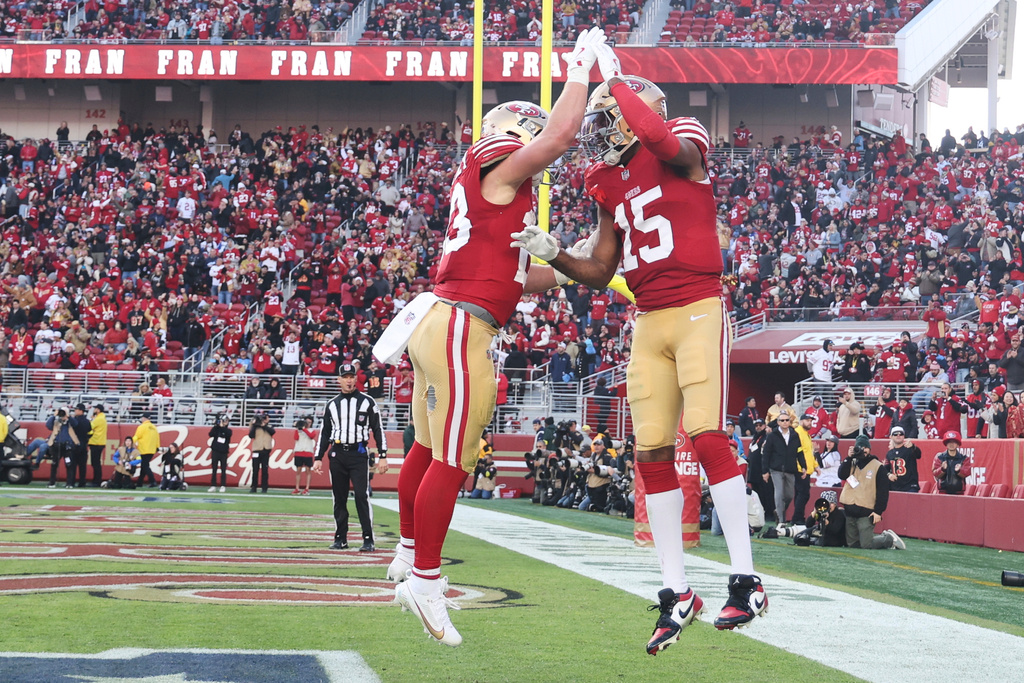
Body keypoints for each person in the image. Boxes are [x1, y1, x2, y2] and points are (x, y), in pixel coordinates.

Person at [514, 45, 767, 645]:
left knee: (707, 437)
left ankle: (747, 581)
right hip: (649, 320)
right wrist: (557, 256)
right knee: (650, 454)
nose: (603, 133)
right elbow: (603, 269)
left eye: (609, 117)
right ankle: (676, 594)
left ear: (636, 109)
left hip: (700, 305)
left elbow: (661, 140)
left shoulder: (680, 137)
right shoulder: (603, 178)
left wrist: (613, 77)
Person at [390, 28, 610, 649]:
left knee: (430, 451)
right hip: (461, 326)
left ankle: (409, 554)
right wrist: (578, 69)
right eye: (528, 136)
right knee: (455, 461)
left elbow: (520, 276)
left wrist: (564, 258)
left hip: (441, 319)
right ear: (512, 134)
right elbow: (562, 135)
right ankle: (427, 585)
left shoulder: (490, 197)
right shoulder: (496, 168)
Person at [314, 364, 388, 551]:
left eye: (351, 376)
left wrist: (383, 455)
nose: (348, 380)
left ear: (356, 379)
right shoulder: (332, 404)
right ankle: (340, 538)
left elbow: (378, 429)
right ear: (338, 380)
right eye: (345, 377)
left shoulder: (368, 401)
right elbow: (325, 433)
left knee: (362, 496)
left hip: (359, 454)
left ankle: (368, 539)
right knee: (339, 498)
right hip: (338, 453)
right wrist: (317, 457)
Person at [838, 435, 905, 550]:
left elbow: (883, 492)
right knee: (852, 544)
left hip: (866, 512)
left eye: (865, 447)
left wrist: (878, 512)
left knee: (866, 545)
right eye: (859, 447)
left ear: (869, 449)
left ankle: (888, 538)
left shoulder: (878, 466)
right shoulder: (851, 462)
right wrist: (848, 458)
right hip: (850, 510)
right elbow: (842, 475)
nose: (863, 450)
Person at [761, 413, 802, 525]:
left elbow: (799, 452)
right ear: (778, 422)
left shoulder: (795, 435)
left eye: (786, 420)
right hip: (776, 469)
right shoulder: (772, 436)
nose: (784, 422)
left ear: (790, 421)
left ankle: (779, 511)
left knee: (789, 495)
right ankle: (781, 520)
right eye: (782, 420)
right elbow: (766, 454)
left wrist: (803, 466)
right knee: (779, 493)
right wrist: (765, 471)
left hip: (790, 469)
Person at [792, 413, 819, 523]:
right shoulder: (798, 432)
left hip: (806, 469)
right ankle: (797, 518)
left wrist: (816, 466)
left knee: (800, 494)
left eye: (811, 421)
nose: (810, 423)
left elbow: (809, 453)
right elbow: (798, 452)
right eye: (807, 420)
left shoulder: (806, 434)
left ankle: (798, 517)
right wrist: (801, 467)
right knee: (803, 494)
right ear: (801, 421)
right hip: (801, 469)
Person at [44, 408, 78, 488]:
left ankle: (69, 483)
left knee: (69, 464)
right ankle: (52, 482)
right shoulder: (56, 422)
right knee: (54, 464)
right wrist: (54, 416)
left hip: (67, 447)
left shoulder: (70, 422)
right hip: (57, 446)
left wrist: (68, 417)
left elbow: (76, 424)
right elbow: (48, 425)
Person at [883, 426, 922, 492]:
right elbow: (885, 469)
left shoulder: (910, 449)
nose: (898, 436)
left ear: (904, 436)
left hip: (910, 487)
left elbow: (918, 455)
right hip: (895, 487)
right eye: (895, 434)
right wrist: (889, 475)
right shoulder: (889, 453)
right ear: (891, 437)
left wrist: (913, 446)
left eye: (901, 434)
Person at [248, 413, 275, 493]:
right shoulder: (255, 427)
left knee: (265, 470)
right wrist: (255, 425)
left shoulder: (269, 426)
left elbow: (272, 432)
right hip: (257, 449)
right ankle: (254, 487)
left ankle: (264, 487)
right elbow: (251, 435)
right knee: (255, 470)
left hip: (266, 450)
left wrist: (264, 425)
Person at [68, 403, 92, 488]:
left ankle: (71, 482)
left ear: (81, 411)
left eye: (76, 409)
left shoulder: (75, 420)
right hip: (83, 445)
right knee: (82, 466)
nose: (75, 411)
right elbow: (90, 432)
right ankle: (82, 482)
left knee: (72, 465)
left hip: (75, 445)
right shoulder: (87, 421)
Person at [133, 412, 160, 488]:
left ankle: (153, 481)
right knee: (144, 465)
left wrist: (132, 442)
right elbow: (157, 438)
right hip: (152, 450)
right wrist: (157, 447)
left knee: (145, 466)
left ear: (144, 418)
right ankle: (139, 482)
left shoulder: (142, 427)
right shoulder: (154, 427)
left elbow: (136, 436)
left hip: (144, 449)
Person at [293, 416, 317, 495]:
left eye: (309, 422)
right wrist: (298, 428)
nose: (308, 424)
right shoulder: (298, 430)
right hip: (299, 451)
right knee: (298, 471)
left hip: (308, 452)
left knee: (308, 471)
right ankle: (297, 488)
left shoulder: (312, 430)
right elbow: (295, 438)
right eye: (306, 422)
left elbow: (311, 436)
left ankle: (307, 488)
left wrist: (304, 429)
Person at [207, 415, 232, 492]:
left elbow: (228, 434)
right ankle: (213, 485)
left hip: (223, 452)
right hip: (215, 451)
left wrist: (222, 427)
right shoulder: (216, 429)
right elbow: (210, 434)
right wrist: (216, 425)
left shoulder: (229, 430)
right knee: (214, 469)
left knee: (223, 469)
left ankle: (223, 485)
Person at [88, 404, 107, 487]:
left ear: (98, 410)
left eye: (95, 409)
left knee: (95, 463)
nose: (94, 410)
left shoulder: (98, 419)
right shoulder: (101, 418)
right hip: (99, 442)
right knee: (96, 463)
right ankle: (96, 480)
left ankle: (96, 481)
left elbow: (89, 427)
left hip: (96, 442)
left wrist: (91, 419)